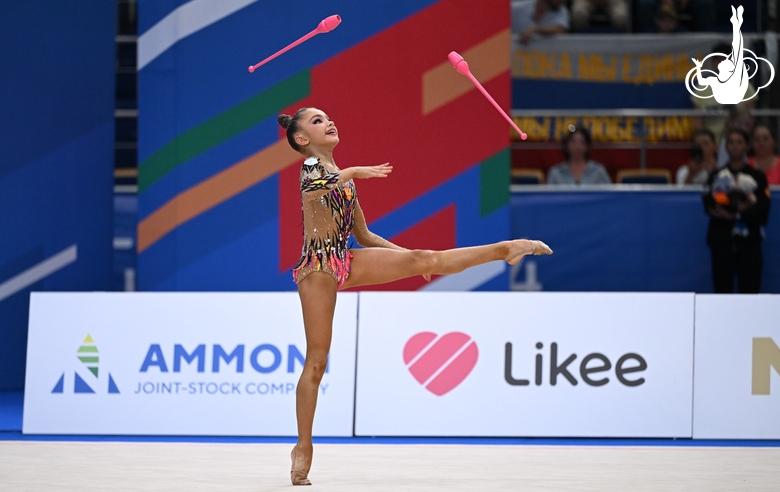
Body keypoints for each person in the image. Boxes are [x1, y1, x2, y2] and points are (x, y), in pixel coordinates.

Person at [279, 107, 553, 485]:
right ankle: (303, 445)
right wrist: (354, 172)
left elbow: (365, 235)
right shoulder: (311, 167)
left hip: (345, 258)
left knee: (427, 257)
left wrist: (407, 259)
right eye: (316, 121)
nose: (328, 122)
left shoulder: (345, 181)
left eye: (327, 117)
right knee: (317, 362)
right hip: (318, 269)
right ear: (302, 139)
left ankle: (505, 248)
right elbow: (316, 188)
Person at [702, 128, 771, 293]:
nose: (735, 146)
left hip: (749, 244)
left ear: (746, 146)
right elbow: (709, 203)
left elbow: (762, 210)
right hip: (722, 243)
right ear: (725, 146)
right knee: (722, 291)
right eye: (731, 142)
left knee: (750, 292)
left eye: (739, 142)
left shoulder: (757, 177)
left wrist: (738, 213)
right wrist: (734, 208)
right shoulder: (717, 175)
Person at [547, 126, 611, 185]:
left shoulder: (598, 171)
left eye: (581, 142)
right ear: (566, 145)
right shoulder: (556, 173)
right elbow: (549, 196)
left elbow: (609, 195)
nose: (577, 147)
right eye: (573, 142)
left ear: (588, 146)